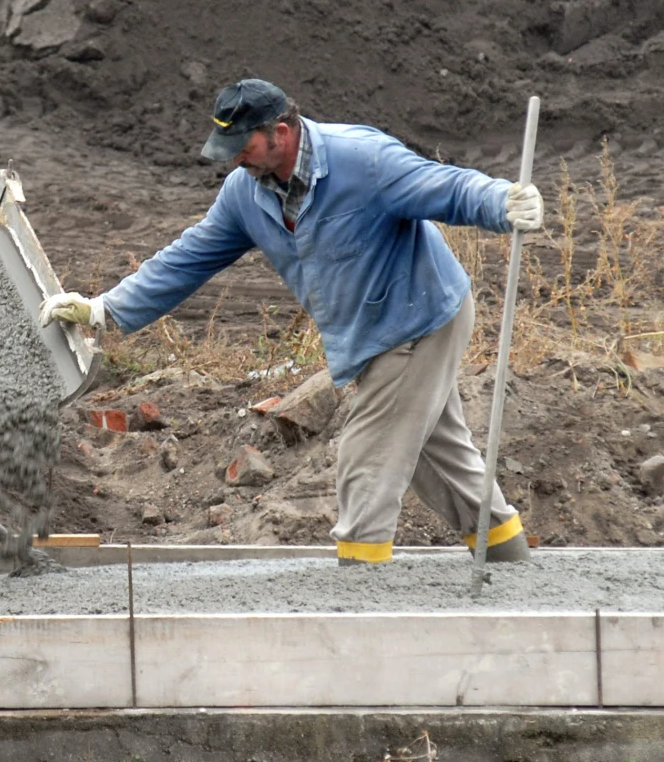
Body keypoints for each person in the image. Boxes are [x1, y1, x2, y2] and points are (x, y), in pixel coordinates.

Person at [41, 78, 543, 565]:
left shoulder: (361, 159)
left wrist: (502, 202)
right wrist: (105, 307)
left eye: (244, 144)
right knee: (441, 459)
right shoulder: (247, 192)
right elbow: (188, 257)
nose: (235, 157)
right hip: (369, 331)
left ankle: (361, 589)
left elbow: (445, 186)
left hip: (417, 319)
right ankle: (508, 555)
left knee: (367, 460)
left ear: (282, 132)